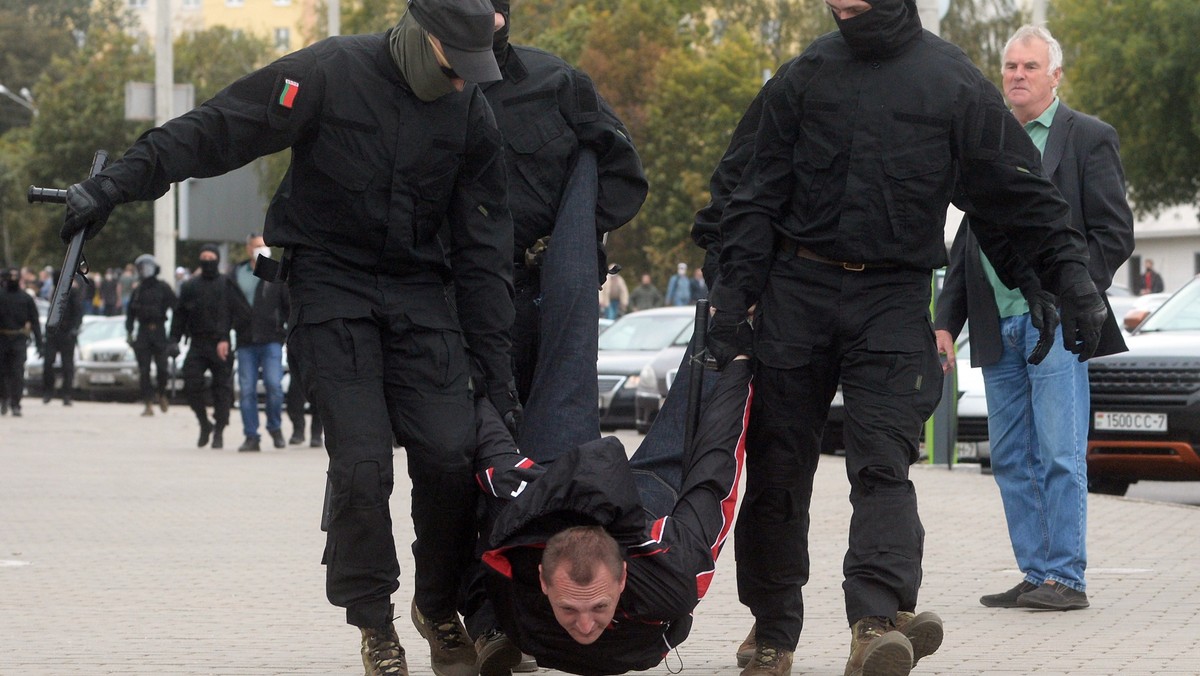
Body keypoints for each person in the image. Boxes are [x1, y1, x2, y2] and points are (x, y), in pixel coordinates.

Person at [57, 1, 517, 673]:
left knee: (451, 458)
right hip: (333, 291)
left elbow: (483, 246)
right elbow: (214, 130)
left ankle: (437, 603)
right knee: (361, 466)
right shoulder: (326, 73)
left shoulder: (470, 107)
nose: (462, 83)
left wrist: (496, 370)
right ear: (426, 35)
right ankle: (375, 623)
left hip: (422, 295)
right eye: (456, 66)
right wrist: (112, 186)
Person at [706, 1, 1111, 675]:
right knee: (778, 468)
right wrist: (728, 297)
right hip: (795, 294)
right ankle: (772, 629)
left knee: (882, 464)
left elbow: (1014, 194)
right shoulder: (803, 76)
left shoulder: (952, 82)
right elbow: (749, 193)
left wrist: (1070, 280)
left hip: (893, 299)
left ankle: (875, 622)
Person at [934, 25, 1134, 613]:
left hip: (1060, 328)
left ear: (1055, 75)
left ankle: (1067, 578)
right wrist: (947, 318)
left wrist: (1073, 293)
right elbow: (970, 237)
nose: (1016, 75)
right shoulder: (989, 144)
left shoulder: (1087, 138)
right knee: (1013, 457)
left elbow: (1113, 233)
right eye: (1009, 66)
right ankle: (1036, 571)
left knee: (1059, 453)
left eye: (1029, 66)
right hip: (998, 323)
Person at [474, 353, 753, 676]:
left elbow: (714, 471)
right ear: (543, 580)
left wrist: (739, 366)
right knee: (564, 351)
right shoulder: (515, 557)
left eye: (598, 606)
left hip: (647, 512)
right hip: (558, 497)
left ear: (622, 578)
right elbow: (491, 450)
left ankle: (728, 322)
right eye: (568, 608)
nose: (585, 626)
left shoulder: (673, 575)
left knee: (714, 357)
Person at [481, 0, 647, 403]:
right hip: (447, 295)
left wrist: (571, 243)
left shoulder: (556, 81)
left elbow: (623, 173)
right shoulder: (422, 87)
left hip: (537, 296)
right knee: (451, 447)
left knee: (545, 436)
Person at [169, 246, 250, 448]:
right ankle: (205, 423)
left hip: (221, 343)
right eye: (203, 257)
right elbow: (179, 315)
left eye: (211, 258)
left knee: (222, 390)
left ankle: (219, 430)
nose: (207, 261)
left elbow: (242, 313)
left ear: (217, 259)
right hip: (197, 343)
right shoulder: (190, 286)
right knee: (191, 383)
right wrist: (173, 340)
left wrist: (227, 336)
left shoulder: (227, 284)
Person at [232, 233, 288, 452]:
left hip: (271, 339)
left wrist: (287, 330)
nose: (261, 249)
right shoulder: (237, 273)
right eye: (257, 246)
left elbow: (286, 304)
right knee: (246, 390)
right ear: (248, 249)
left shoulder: (276, 272)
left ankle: (275, 426)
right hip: (246, 340)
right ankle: (251, 436)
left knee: (274, 385)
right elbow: (230, 304)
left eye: (265, 246)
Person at [126, 253, 179, 416]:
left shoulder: (163, 287)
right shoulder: (138, 290)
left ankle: (161, 393)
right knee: (144, 370)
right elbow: (130, 314)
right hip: (143, 333)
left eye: (147, 268)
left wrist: (174, 336)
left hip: (160, 332)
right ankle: (148, 402)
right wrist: (129, 332)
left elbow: (176, 309)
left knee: (163, 369)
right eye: (141, 268)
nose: (144, 271)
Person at [1, 268, 43, 417]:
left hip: (19, 340)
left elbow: (35, 321)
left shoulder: (26, 298)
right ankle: (4, 399)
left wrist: (39, 343)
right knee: (2, 373)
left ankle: (16, 404)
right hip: (2, 339)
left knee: (17, 373)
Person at [42, 268, 87, 406]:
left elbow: (78, 313)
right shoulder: (53, 292)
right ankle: (48, 391)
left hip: (67, 332)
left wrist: (74, 329)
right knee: (48, 363)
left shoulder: (72, 293)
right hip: (54, 332)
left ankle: (67, 394)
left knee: (67, 365)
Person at [285, 346, 322, 447]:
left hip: (321, 351)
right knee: (294, 396)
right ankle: (298, 429)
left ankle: (316, 434)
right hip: (299, 349)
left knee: (319, 395)